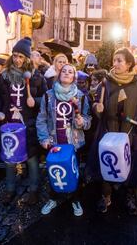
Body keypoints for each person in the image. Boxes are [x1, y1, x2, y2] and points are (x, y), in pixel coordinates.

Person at [90, 48, 137, 216]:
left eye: (119, 61)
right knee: (107, 161)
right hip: (109, 130)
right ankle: (106, 195)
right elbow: (95, 103)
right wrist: (97, 107)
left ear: (129, 64)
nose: (115, 63)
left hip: (131, 132)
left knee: (133, 165)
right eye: (114, 60)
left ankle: (130, 197)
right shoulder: (105, 83)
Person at [0, 37, 47, 205]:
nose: (17, 60)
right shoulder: (5, 77)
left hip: (28, 123)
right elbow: (0, 99)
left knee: (31, 158)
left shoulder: (37, 78)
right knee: (9, 157)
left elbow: (45, 100)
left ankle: (34, 190)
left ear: (27, 59)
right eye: (15, 56)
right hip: (9, 122)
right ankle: (9, 189)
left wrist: (35, 101)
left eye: (21, 56)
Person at [37, 64, 91, 216]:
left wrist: (83, 122)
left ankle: (75, 200)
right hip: (55, 141)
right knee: (55, 171)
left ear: (74, 77)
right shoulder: (48, 95)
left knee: (74, 172)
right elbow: (41, 119)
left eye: (71, 72)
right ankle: (53, 198)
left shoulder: (80, 96)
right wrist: (43, 138)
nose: (67, 73)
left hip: (74, 141)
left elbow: (87, 118)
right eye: (64, 71)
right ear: (59, 74)